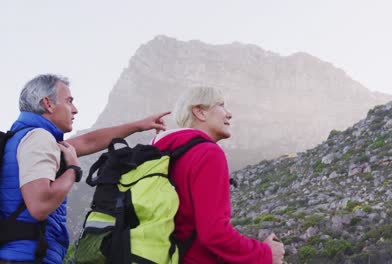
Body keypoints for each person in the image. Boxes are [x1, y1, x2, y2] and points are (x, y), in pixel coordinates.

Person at [0, 74, 170, 263]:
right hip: (27, 257)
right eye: (69, 101)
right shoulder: (39, 138)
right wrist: (73, 168)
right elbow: (40, 206)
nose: (75, 109)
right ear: (48, 104)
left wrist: (138, 125)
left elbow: (88, 141)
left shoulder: (26, 138)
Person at [151, 86, 285, 264]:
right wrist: (265, 253)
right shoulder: (207, 153)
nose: (229, 114)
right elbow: (213, 233)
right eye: (221, 106)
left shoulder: (166, 155)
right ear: (200, 112)